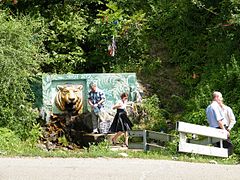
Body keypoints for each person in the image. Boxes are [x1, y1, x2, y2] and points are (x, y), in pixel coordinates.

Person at [206, 91, 232, 155]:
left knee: (218, 145)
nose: (222, 99)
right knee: (229, 146)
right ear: (217, 97)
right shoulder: (216, 106)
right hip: (219, 129)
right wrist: (224, 130)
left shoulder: (208, 107)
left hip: (212, 129)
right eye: (221, 97)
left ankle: (219, 158)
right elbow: (219, 120)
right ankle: (227, 160)